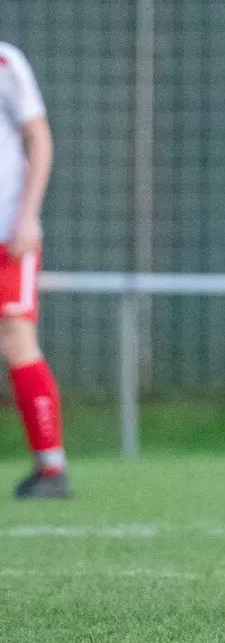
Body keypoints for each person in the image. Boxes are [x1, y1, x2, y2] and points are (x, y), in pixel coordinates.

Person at [0, 41, 67, 500]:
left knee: (15, 337)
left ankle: (50, 467)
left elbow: (38, 138)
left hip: (7, 233)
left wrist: (26, 216)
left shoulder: (5, 62)